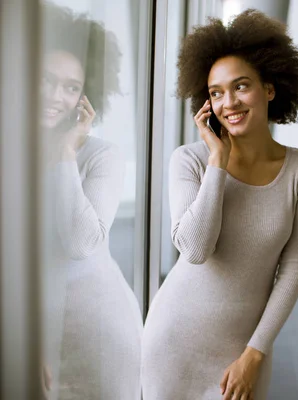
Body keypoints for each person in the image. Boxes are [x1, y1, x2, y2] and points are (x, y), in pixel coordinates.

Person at [141, 10, 298, 400]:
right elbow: (194, 249)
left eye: (241, 86)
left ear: (269, 89)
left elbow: (292, 272)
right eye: (216, 92)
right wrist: (217, 163)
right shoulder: (190, 160)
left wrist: (254, 354)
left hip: (244, 352)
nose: (229, 102)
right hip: (172, 342)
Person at [41, 3, 142, 399]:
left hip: (100, 337)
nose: (54, 96)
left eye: (70, 87)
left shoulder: (101, 155)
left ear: (86, 96)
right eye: (44, 80)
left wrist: (65, 154)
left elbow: (82, 243)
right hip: (32, 338)